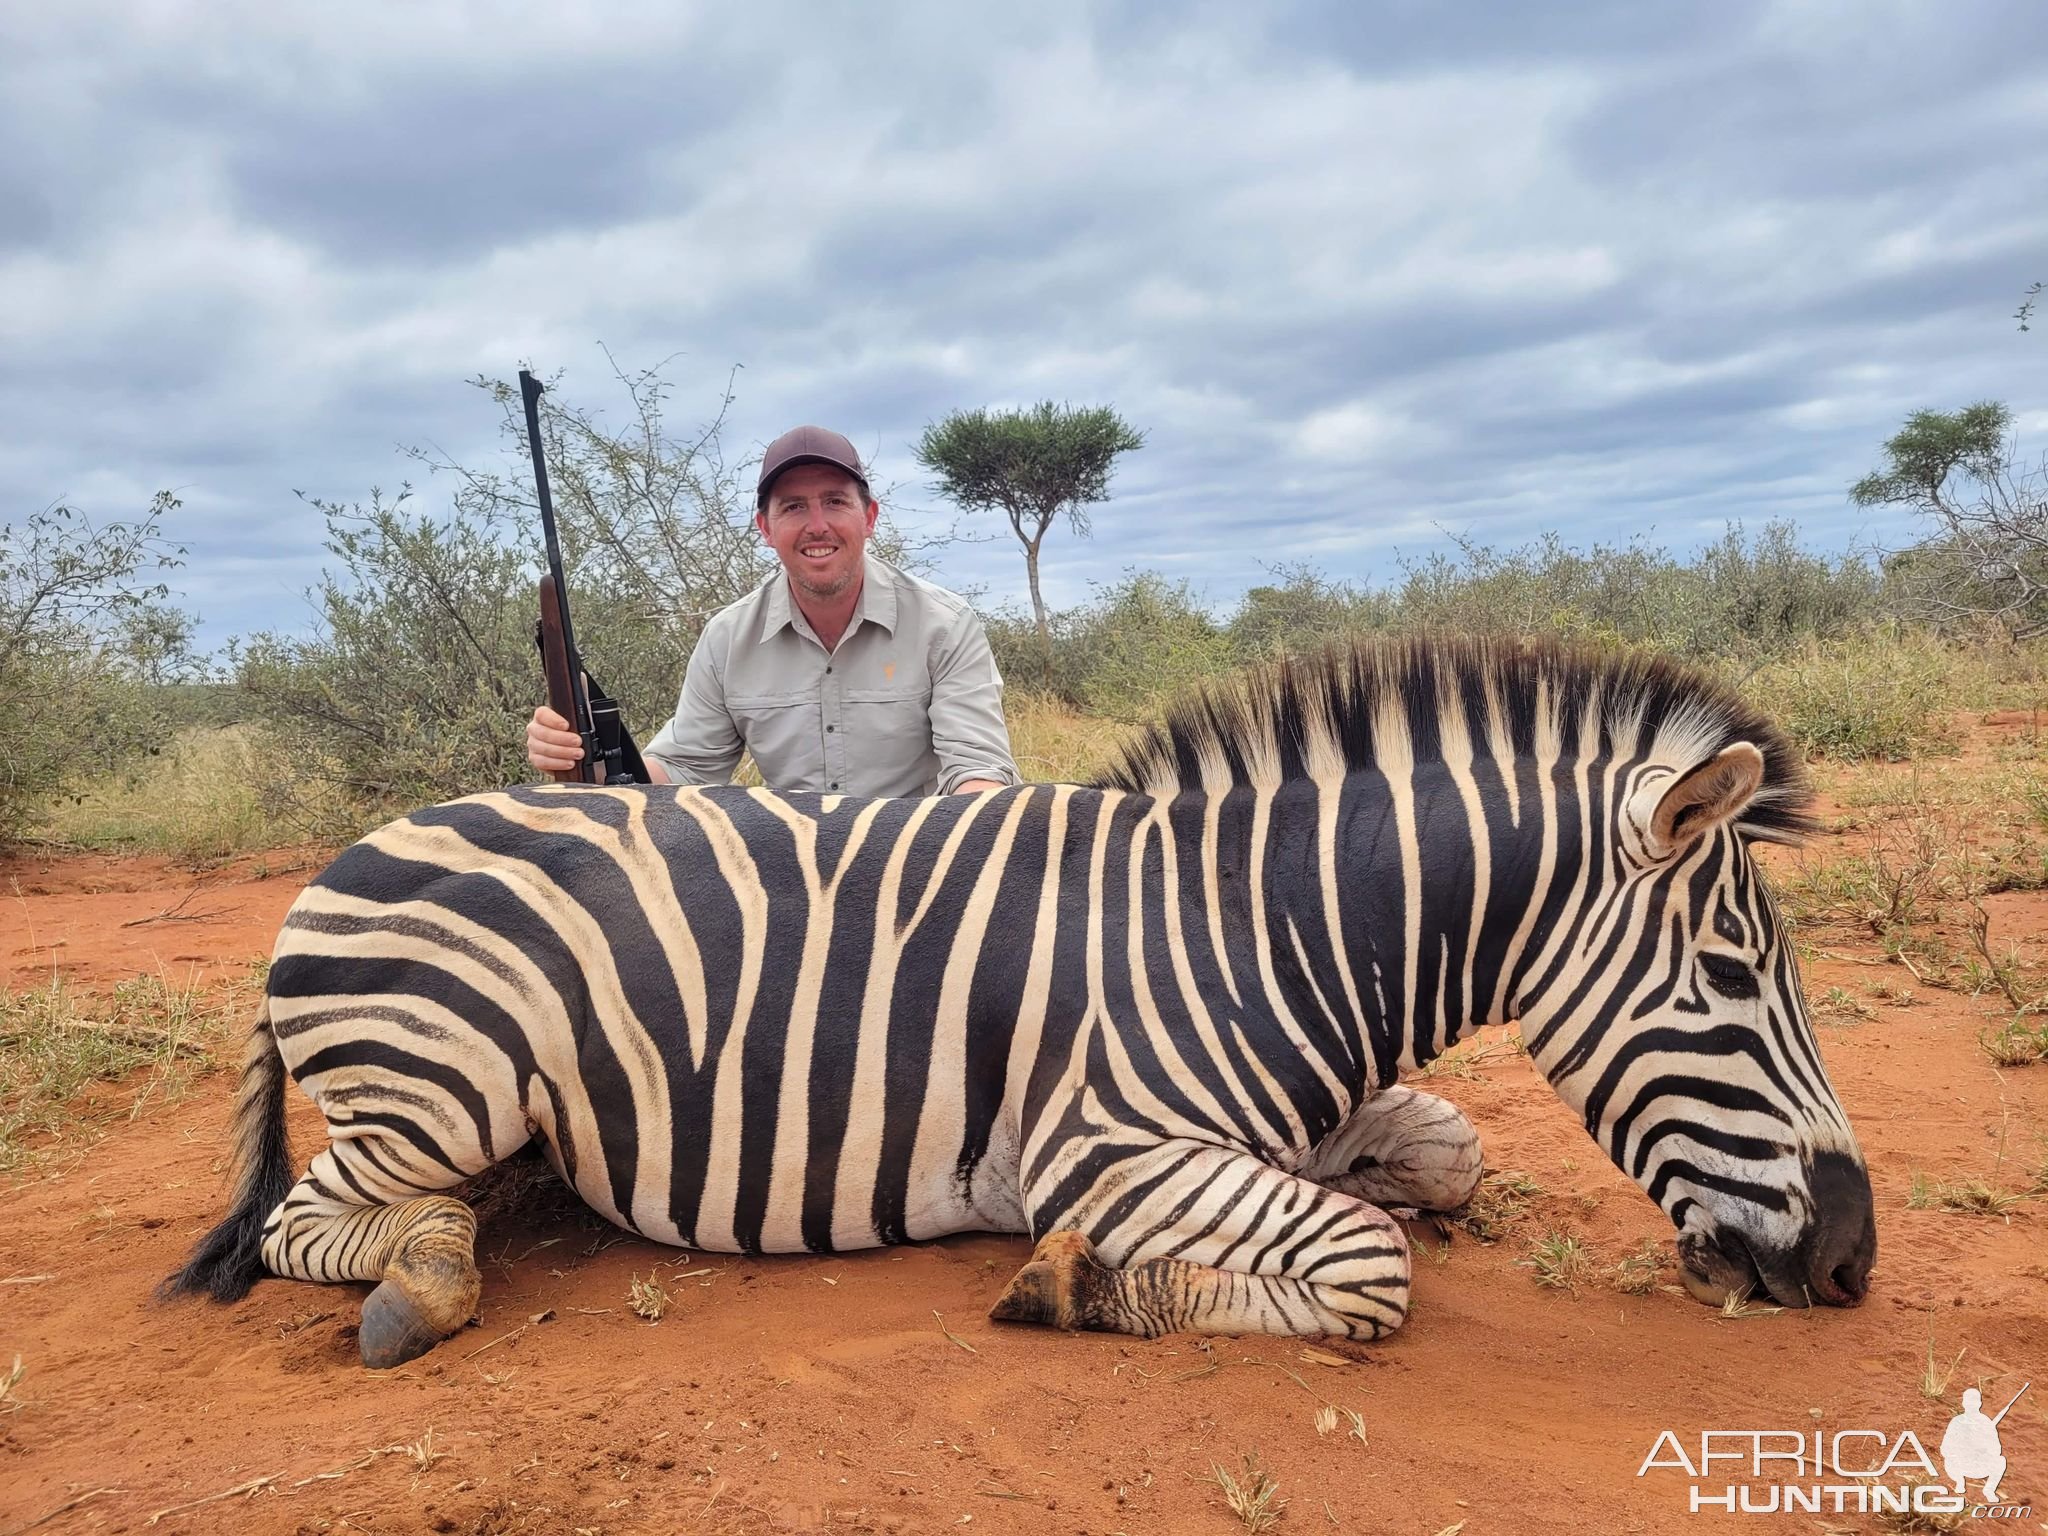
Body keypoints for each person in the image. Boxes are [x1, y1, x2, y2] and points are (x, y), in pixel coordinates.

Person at [526, 424, 1019, 798]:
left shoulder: (945, 625)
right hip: (789, 884)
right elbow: (686, 770)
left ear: (868, 517)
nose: (817, 525)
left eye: (835, 501)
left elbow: (978, 776)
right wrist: (585, 760)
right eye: (793, 507)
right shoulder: (728, 638)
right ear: (765, 527)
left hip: (921, 873)